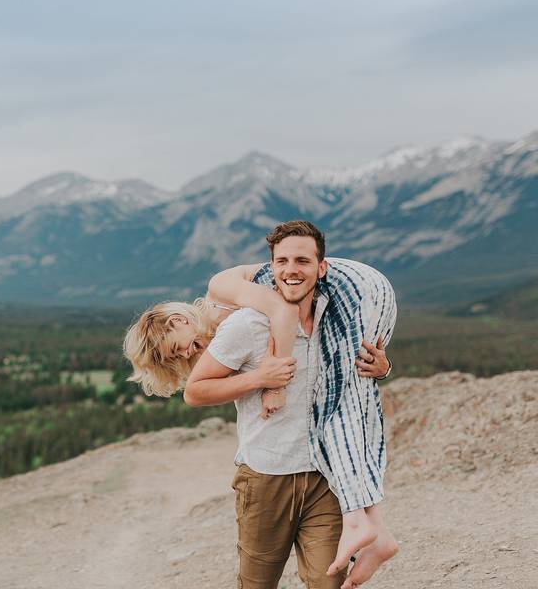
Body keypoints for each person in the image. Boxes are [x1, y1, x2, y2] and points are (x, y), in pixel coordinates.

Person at [123, 221, 399, 589]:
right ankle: (376, 533)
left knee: (327, 581)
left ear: (177, 319)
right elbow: (198, 391)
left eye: (180, 347)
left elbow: (343, 380)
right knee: (257, 582)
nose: (189, 353)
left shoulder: (295, 308)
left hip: (323, 472)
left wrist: (380, 367)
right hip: (268, 472)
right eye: (180, 357)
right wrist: (260, 380)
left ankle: (376, 534)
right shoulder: (234, 330)